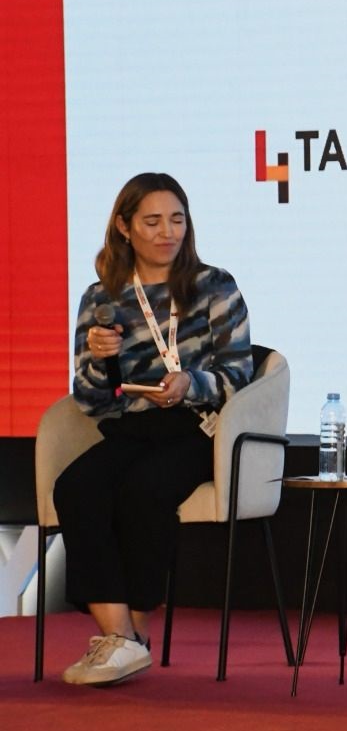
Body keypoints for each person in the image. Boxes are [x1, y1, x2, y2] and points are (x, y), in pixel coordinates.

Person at [55, 172, 254, 687]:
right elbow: (91, 400)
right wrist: (99, 361)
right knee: (75, 486)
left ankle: (129, 639)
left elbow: (239, 375)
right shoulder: (102, 297)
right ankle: (120, 637)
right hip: (132, 427)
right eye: (152, 221)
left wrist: (190, 383)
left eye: (177, 220)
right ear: (124, 227)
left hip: (199, 428)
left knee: (145, 490)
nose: (168, 232)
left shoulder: (214, 286)